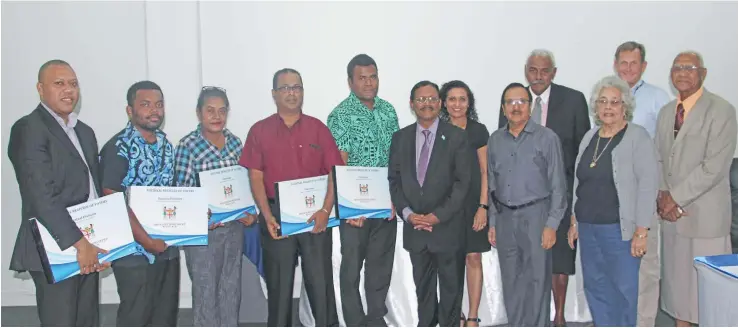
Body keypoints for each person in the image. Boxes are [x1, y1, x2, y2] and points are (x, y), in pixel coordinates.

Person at [239, 68, 343, 327]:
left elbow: (334, 173)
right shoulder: (259, 131)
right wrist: (267, 216)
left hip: (315, 218)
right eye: (285, 88)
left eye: (296, 87)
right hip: (276, 217)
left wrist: (325, 211)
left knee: (321, 287)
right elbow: (255, 177)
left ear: (303, 92)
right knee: (280, 289)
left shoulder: (318, 128)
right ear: (274, 94)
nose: (292, 93)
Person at [7, 59, 107, 326]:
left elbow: (93, 192)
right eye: (59, 83)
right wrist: (80, 243)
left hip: (87, 245)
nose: (68, 90)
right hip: (56, 246)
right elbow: (40, 196)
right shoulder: (29, 129)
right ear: (40, 89)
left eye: (73, 84)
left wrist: (102, 242)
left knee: (87, 321)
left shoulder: (84, 132)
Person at [498, 49, 590, 326]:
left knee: (560, 256)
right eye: (533, 70)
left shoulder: (573, 100)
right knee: (526, 262)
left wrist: (574, 197)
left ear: (554, 73)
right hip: (521, 197)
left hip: (559, 192)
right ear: (526, 71)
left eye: (544, 71)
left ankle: (559, 315)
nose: (538, 76)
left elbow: (582, 150)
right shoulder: (514, 99)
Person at [567, 75, 659, 326]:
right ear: (595, 106)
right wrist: (574, 221)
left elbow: (648, 186)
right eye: (602, 101)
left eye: (615, 102)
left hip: (621, 232)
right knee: (596, 288)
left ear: (625, 106)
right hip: (588, 228)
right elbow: (579, 181)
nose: (608, 107)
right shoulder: (590, 137)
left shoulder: (637, 137)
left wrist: (642, 231)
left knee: (624, 292)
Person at [655, 51, 737, 327]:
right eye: (677, 67)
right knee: (680, 293)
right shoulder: (667, 112)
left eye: (690, 68)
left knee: (708, 295)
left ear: (703, 73)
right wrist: (663, 195)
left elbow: (713, 167)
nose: (682, 73)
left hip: (705, 218)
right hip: (673, 219)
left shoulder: (722, 110)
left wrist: (674, 198)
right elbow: (659, 158)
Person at [173, 86, 258, 326]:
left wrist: (250, 212)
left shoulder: (235, 142)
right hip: (204, 233)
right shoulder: (187, 146)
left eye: (222, 110)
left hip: (233, 229)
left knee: (231, 290)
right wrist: (200, 213)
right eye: (210, 110)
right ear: (199, 113)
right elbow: (182, 191)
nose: (216, 116)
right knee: (206, 293)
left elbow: (244, 184)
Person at [388, 80, 470, 327]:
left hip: (446, 228)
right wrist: (408, 214)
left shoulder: (457, 137)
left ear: (440, 103)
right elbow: (394, 181)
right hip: (415, 228)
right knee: (422, 290)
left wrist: (438, 216)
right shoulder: (400, 138)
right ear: (412, 104)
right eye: (421, 100)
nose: (427, 104)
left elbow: (462, 184)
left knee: (450, 291)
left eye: (432, 99)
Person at [327, 54, 400, 327]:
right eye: (362, 78)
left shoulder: (388, 110)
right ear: (350, 82)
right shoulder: (340, 116)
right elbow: (339, 164)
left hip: (385, 204)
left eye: (373, 76)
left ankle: (375, 317)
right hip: (355, 208)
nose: (369, 83)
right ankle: (356, 321)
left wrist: (396, 198)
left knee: (380, 267)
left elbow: (396, 158)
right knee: (352, 269)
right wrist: (349, 208)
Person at [99, 80, 179, 326]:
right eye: (145, 105)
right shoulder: (118, 148)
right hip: (133, 253)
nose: (154, 110)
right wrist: (146, 241)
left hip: (167, 247)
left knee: (164, 317)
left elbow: (174, 193)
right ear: (130, 110)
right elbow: (112, 199)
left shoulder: (166, 144)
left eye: (159, 104)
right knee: (137, 317)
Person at [488, 82, 566, 327]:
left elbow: (558, 186)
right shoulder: (495, 140)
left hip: (536, 217)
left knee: (536, 281)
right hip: (504, 219)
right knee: (511, 281)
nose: (516, 107)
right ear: (503, 108)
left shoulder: (547, 138)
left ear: (530, 106)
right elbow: (491, 184)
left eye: (521, 101)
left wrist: (552, 224)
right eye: (510, 102)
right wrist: (492, 223)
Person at [612, 41, 672, 327]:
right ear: (615, 65)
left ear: (644, 66)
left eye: (633, 63)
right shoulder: (606, 99)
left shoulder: (659, 99)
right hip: (612, 197)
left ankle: (645, 322)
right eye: (623, 63)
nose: (627, 68)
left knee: (646, 265)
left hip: (644, 194)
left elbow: (666, 147)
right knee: (618, 264)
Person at [438, 80, 490, 327]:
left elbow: (485, 171)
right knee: (450, 261)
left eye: (462, 99)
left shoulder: (478, 131)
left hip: (472, 207)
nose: (457, 104)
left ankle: (472, 317)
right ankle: (454, 314)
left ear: (469, 103)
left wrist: (483, 207)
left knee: (473, 259)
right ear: (443, 103)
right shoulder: (435, 130)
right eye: (452, 99)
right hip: (446, 207)